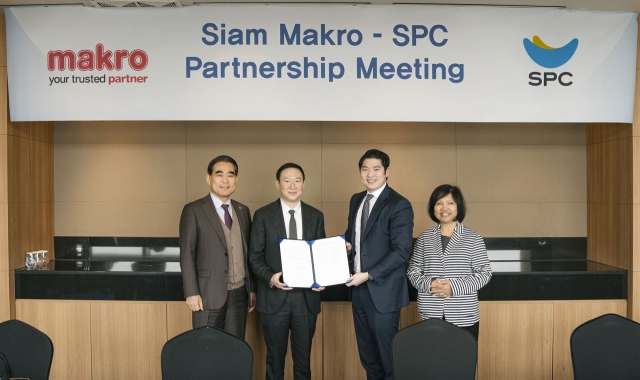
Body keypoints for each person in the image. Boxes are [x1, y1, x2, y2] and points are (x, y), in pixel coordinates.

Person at [249, 163, 326, 380]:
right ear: (277, 184)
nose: (292, 185)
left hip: (306, 299)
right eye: (287, 180)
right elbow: (254, 255)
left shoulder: (316, 215)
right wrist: (270, 277)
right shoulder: (263, 215)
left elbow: (320, 255)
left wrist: (322, 277)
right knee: (274, 360)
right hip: (274, 297)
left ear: (303, 184)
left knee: (303, 361)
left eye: (297, 180)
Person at [344, 149, 414, 380]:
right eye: (365, 169)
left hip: (383, 291)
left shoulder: (398, 204)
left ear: (386, 171)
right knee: (368, 355)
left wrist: (369, 274)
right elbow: (354, 237)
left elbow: (402, 251)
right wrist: (345, 246)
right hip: (358, 290)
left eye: (376, 169)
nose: (370, 174)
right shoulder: (357, 200)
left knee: (387, 357)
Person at [179, 155, 257, 338]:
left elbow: (248, 253)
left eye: (230, 175)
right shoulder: (194, 210)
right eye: (219, 174)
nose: (225, 180)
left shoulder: (243, 211)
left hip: (239, 294)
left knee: (235, 348)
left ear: (236, 180)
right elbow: (187, 254)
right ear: (209, 178)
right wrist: (191, 293)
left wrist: (251, 288)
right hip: (207, 295)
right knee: (206, 349)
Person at [407, 184, 492, 341]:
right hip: (430, 314)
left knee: (462, 363)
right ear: (433, 207)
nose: (444, 207)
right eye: (439, 203)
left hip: (464, 315)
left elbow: (485, 274)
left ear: (459, 207)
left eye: (450, 203)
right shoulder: (424, 238)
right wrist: (430, 284)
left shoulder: (473, 238)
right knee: (433, 363)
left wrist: (453, 288)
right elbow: (413, 271)